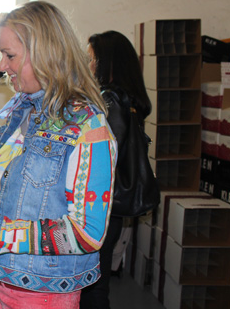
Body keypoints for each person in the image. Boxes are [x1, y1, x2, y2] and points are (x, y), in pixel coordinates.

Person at [0, 1, 117, 309]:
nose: (2, 66)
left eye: (10, 55)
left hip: (42, 292)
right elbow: (23, 189)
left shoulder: (88, 127)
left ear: (44, 53)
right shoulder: (24, 110)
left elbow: (86, 234)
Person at [80, 30, 152, 309]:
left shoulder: (111, 102)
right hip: (108, 206)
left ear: (106, 63)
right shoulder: (122, 100)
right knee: (95, 282)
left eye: (92, 59)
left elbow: (103, 157)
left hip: (102, 206)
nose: (88, 67)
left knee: (93, 287)